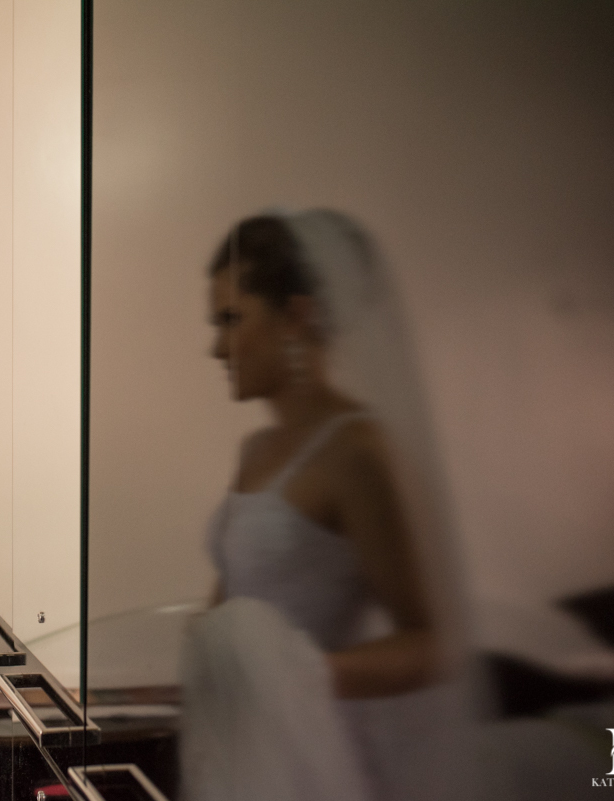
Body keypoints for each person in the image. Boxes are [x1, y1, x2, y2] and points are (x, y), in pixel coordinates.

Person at [180, 210, 477, 801]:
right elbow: (231, 605)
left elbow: (432, 643)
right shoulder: (255, 450)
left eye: (232, 320)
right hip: (242, 747)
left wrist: (304, 675)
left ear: (296, 316)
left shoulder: (357, 451)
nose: (216, 348)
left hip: (315, 758)